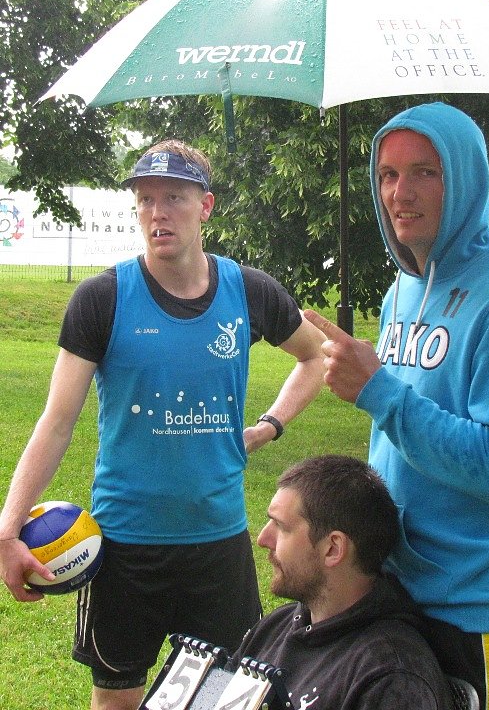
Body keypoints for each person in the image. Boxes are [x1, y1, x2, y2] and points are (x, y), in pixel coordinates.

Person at [0, 140, 325, 710]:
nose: (157, 212)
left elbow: (317, 355)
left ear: (206, 206)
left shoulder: (248, 292)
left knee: (227, 700)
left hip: (218, 545)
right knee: (117, 699)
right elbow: (56, 423)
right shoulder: (101, 299)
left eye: (174, 197)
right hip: (124, 548)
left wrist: (270, 424)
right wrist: (6, 527)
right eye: (145, 199)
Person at [304, 102, 489, 710]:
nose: (402, 193)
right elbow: (414, 439)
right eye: (387, 175)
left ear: (467, 178)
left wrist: (378, 392)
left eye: (427, 172)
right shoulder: (403, 290)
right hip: (396, 594)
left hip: (476, 615)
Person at [227, 454, 453, 710]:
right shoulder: (275, 628)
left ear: (333, 549)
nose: (263, 539)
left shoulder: (390, 676)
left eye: (281, 527)